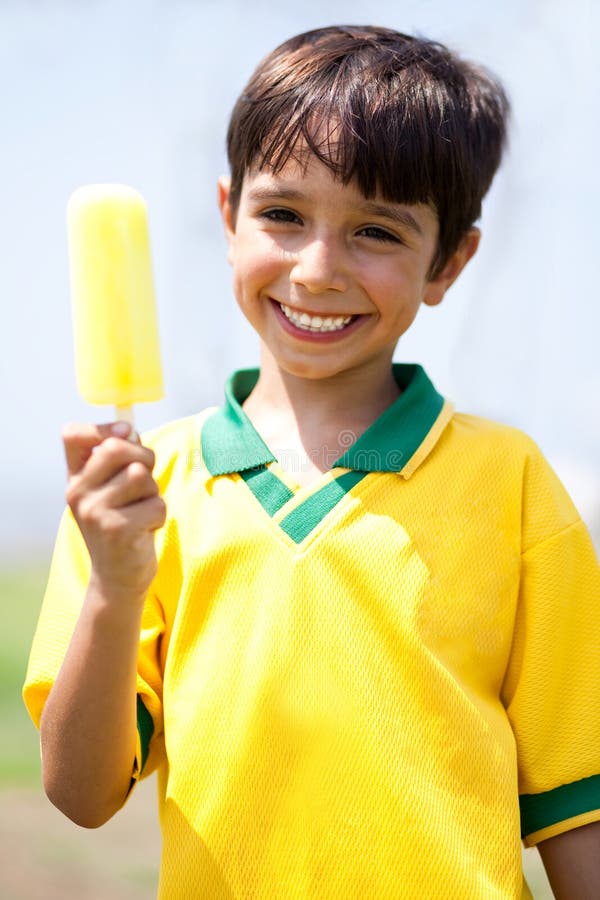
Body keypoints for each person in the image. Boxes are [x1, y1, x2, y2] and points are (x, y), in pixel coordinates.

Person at [23, 25, 600, 899]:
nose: (317, 271)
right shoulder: (141, 493)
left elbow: (577, 801)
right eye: (283, 215)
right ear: (228, 216)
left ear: (449, 262)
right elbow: (80, 793)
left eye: (375, 230)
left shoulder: (512, 482)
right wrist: (112, 587)